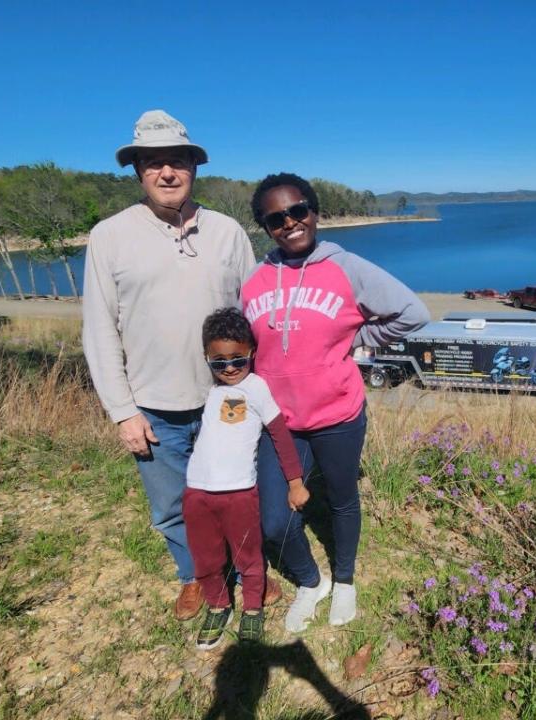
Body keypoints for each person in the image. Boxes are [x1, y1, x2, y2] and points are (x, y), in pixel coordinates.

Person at [82, 110, 281, 620]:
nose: (166, 173)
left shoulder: (228, 232)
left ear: (194, 167)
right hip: (155, 404)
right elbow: (100, 329)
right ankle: (196, 576)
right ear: (137, 172)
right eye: (153, 163)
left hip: (227, 400)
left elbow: (254, 312)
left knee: (239, 493)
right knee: (176, 506)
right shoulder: (109, 236)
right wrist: (123, 410)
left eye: (177, 161)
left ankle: (249, 569)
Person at [242, 173, 429, 632]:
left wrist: (358, 337)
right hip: (279, 422)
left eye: (298, 210)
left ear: (315, 211)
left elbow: (413, 313)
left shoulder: (348, 267)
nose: (290, 223)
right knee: (273, 519)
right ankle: (311, 581)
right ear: (266, 226)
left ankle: (344, 580)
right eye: (276, 218)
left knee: (343, 500)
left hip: (338, 414)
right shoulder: (255, 279)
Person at [184, 308, 305, 649]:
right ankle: (218, 604)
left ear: (251, 352)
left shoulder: (257, 387)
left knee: (247, 554)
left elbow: (281, 435)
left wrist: (295, 482)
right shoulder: (207, 391)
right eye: (218, 362)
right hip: (197, 492)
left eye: (238, 359)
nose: (230, 368)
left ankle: (252, 608)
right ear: (207, 359)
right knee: (206, 556)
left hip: (239, 492)